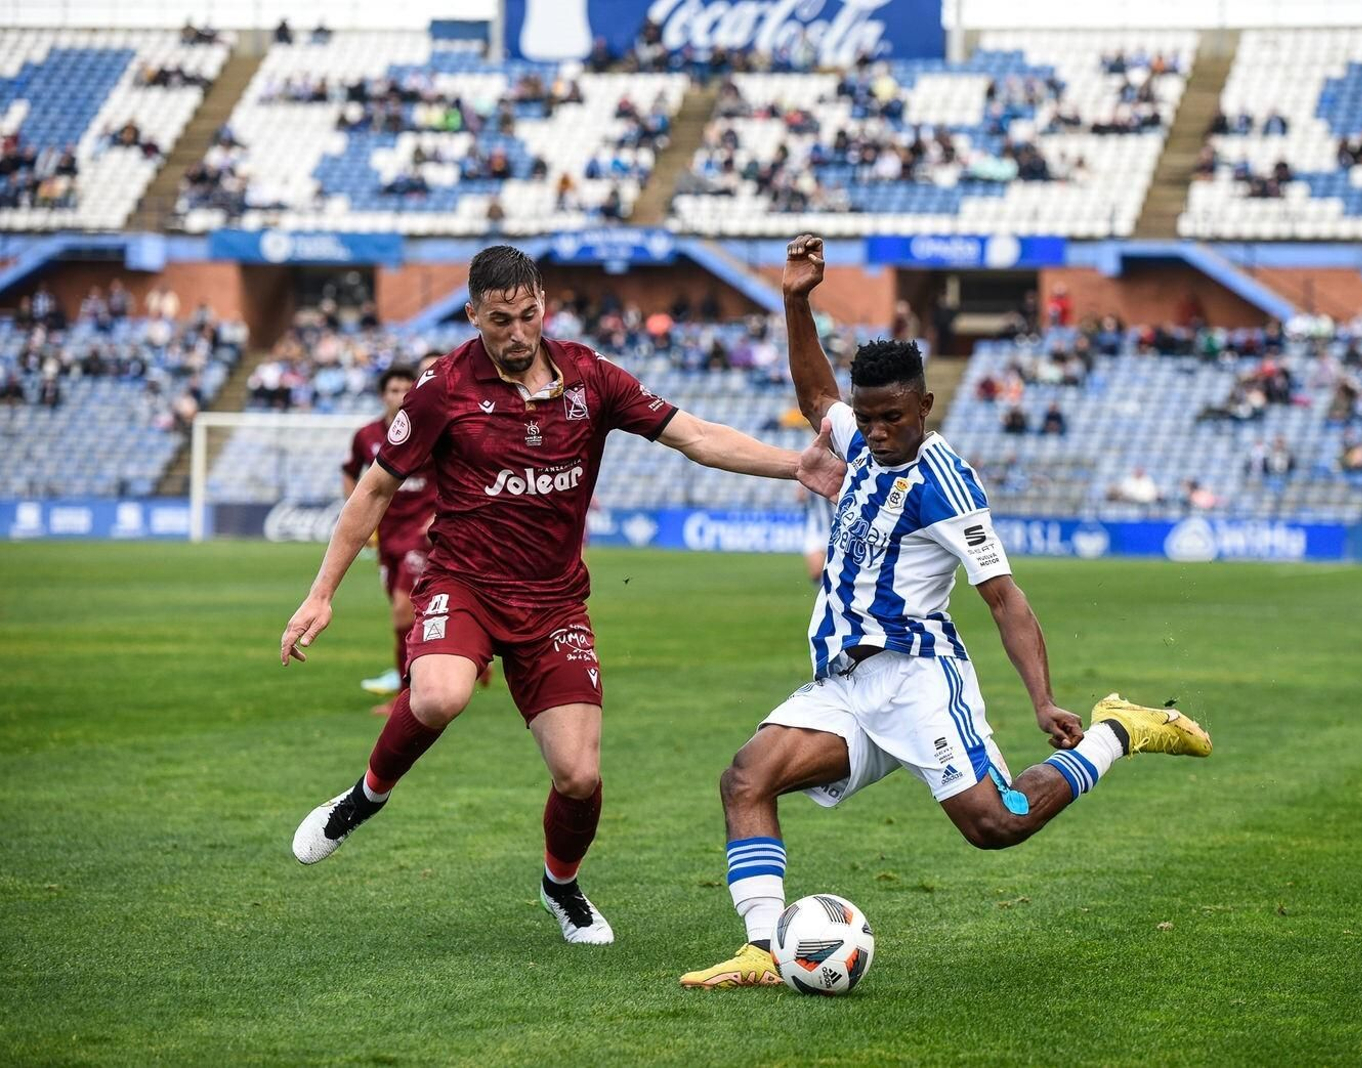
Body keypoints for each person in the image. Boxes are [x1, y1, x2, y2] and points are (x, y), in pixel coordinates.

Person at [678, 235, 1212, 989]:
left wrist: (1042, 700)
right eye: (868, 417)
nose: (876, 431)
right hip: (845, 684)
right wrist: (796, 302)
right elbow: (816, 398)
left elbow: (1004, 597)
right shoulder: (861, 440)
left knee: (997, 823)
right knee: (745, 778)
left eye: (892, 417)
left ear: (924, 406)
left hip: (917, 678)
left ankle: (1116, 731)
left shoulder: (947, 486)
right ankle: (764, 951)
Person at [279, 246, 845, 945]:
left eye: (527, 315)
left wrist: (796, 464)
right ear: (472, 316)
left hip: (553, 605)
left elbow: (695, 436)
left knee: (578, 776)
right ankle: (365, 798)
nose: (517, 333)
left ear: (543, 304)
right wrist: (321, 594)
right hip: (465, 583)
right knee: (440, 696)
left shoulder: (590, 376)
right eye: (499, 322)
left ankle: (561, 887)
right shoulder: (441, 389)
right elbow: (373, 489)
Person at [342, 366, 436, 712]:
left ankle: (406, 697)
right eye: (393, 390)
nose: (399, 397)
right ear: (383, 395)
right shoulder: (366, 435)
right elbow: (349, 472)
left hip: (421, 535)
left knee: (402, 611)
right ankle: (466, 657)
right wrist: (358, 516)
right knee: (409, 614)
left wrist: (439, 514)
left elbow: (457, 472)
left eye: (405, 390)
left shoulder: (430, 430)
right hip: (387, 536)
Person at [799, 483, 832, 584]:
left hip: (836, 527)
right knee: (816, 572)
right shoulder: (808, 477)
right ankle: (824, 591)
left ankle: (831, 591)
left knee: (835, 570)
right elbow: (800, 497)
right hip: (815, 530)